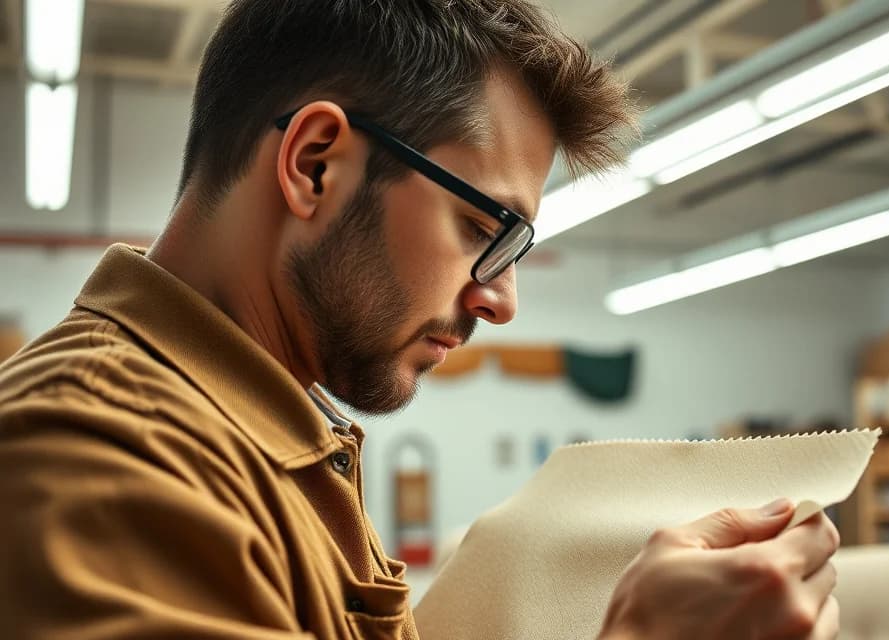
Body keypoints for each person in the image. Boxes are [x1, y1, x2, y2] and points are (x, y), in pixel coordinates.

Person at [0, 1, 840, 638]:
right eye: (482, 228)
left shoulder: (255, 440)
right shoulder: (104, 456)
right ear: (315, 165)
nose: (500, 299)